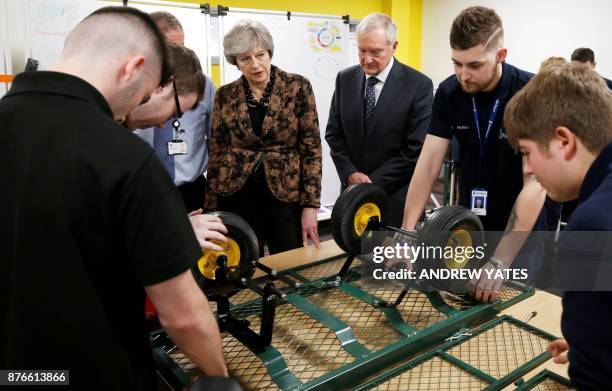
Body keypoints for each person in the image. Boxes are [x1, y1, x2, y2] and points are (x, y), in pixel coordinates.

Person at [0, 7, 227, 389]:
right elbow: (183, 316)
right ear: (133, 69)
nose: (140, 113)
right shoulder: (126, 158)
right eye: (143, 93)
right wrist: (220, 379)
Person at [400, 6, 558, 302]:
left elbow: (535, 183)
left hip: (520, 233)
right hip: (469, 228)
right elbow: (429, 162)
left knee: (514, 322)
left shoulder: (530, 93)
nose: (463, 75)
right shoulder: (448, 93)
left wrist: (499, 262)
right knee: (464, 314)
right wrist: (407, 232)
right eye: (456, 64)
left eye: (474, 65)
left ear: (501, 55)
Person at [504, 63, 612, 390]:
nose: (528, 169)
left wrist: (591, 353)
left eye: (527, 153)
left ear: (563, 140)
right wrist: (591, 341)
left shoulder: (592, 224)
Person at [205, 19, 322, 255]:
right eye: (245, 58)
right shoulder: (225, 95)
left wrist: (311, 205)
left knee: (289, 260)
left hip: (284, 193)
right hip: (236, 193)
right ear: (236, 62)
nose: (255, 64)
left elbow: (311, 149)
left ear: (269, 53)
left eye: (260, 55)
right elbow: (217, 150)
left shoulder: (298, 87)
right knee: (243, 260)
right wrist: (211, 207)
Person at [325, 13, 433, 227]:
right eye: (362, 51)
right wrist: (350, 174)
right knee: (354, 258)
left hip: (396, 201)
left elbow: (415, 149)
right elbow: (334, 134)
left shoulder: (418, 85)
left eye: (376, 52)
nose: (367, 59)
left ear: (394, 46)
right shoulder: (344, 79)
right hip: (352, 198)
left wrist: (371, 183)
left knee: (391, 260)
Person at [131, 11, 217, 212]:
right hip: (142, 187)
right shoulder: (130, 85)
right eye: (171, 49)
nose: (178, 56)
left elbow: (216, 139)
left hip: (190, 188)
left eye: (181, 47)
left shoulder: (203, 85)